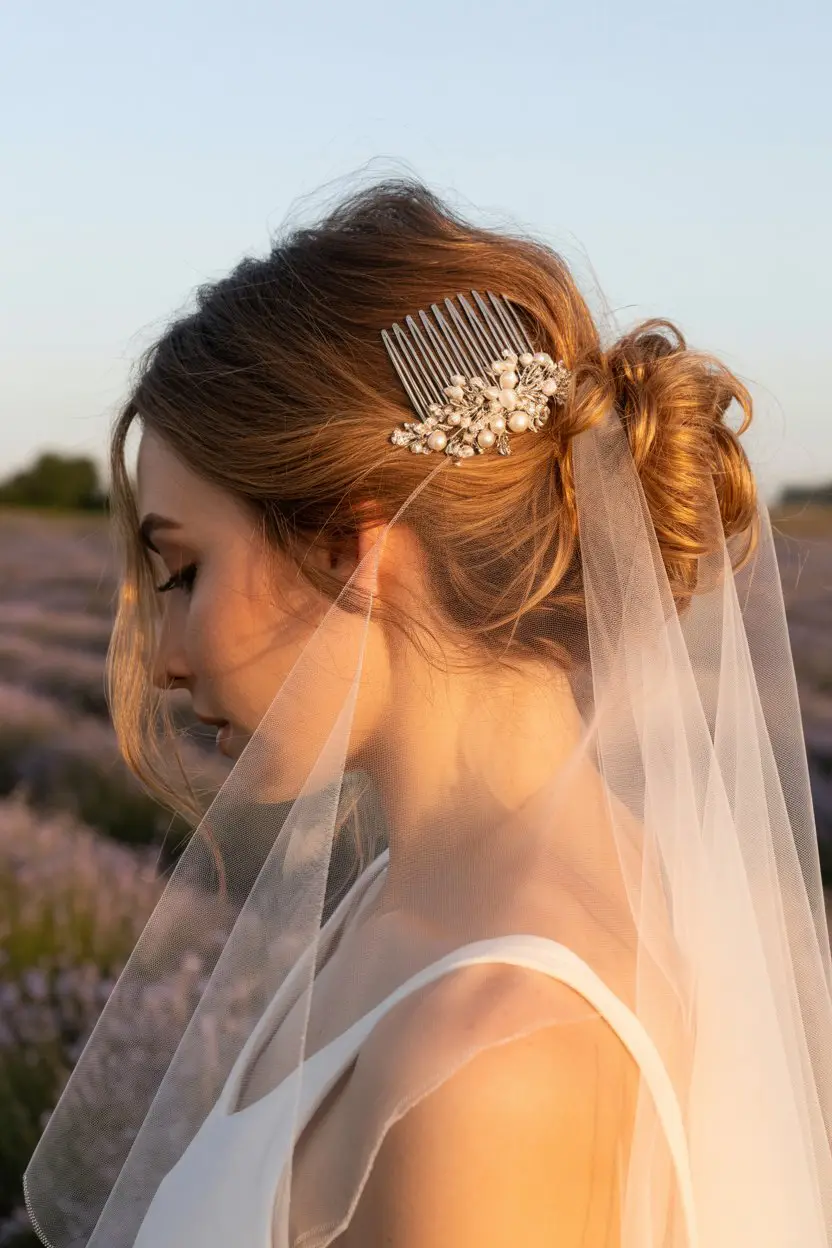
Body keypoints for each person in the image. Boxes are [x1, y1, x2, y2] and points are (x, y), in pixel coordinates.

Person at [24, 180, 832, 1247]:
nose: (165, 662)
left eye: (183, 572)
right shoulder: (410, 897)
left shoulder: (495, 1064)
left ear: (348, 547)